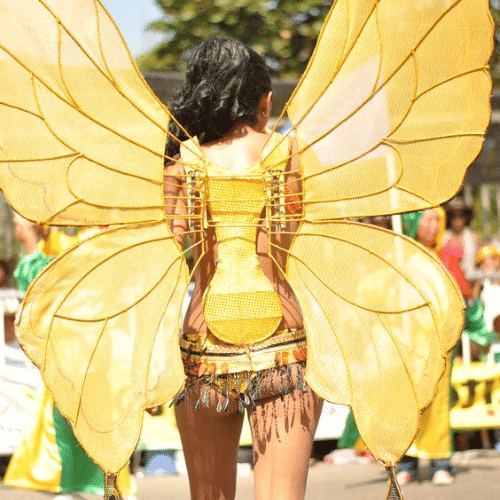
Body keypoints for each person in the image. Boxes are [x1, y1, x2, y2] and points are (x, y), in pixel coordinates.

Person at [164, 37, 323, 500]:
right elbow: (292, 236)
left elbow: (171, 246)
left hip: (203, 343)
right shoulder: (283, 150)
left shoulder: (184, 159)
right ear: (263, 99)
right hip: (283, 341)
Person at [4, 216, 136, 500]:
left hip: (95, 344)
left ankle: (102, 483)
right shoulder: (67, 237)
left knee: (94, 413)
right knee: (65, 413)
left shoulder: (97, 236)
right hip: (71, 345)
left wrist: (30, 241)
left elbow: (47, 282)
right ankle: (74, 484)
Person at [443, 198, 482, 279]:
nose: (457, 219)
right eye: (453, 215)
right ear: (449, 218)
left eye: (461, 215)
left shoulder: (475, 238)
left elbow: (482, 264)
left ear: (466, 217)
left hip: (469, 283)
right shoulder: (442, 238)